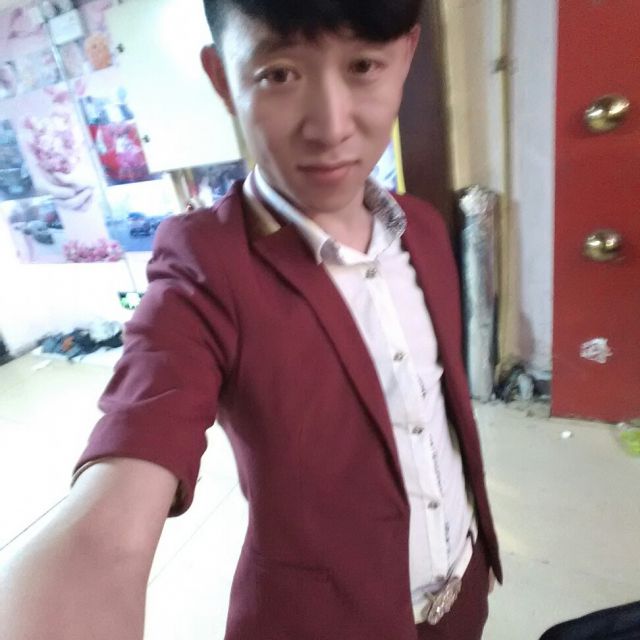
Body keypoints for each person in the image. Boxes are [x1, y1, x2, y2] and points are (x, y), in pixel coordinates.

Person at [0, 1, 502, 638]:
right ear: (221, 79)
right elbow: (130, 463)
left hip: (462, 591)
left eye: (363, 66)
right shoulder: (205, 265)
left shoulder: (424, 228)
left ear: (405, 55)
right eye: (279, 74)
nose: (331, 126)